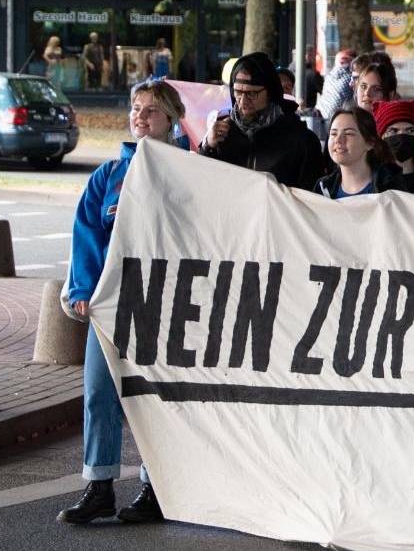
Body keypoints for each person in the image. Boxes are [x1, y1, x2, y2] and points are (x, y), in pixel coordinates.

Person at [57, 80, 188, 526]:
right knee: (99, 393)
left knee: (157, 398)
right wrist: (81, 292)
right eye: (136, 108)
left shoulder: (191, 173)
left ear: (171, 118)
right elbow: (87, 239)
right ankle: (99, 486)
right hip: (112, 306)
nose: (140, 116)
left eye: (151, 110)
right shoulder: (109, 175)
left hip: (167, 305)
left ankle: (156, 487)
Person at [197, 52, 328, 189]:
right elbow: (202, 183)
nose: (242, 100)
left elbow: (311, 199)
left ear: (270, 92)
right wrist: (208, 147)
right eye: (238, 92)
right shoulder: (221, 133)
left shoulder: (301, 140)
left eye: (251, 93)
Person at [317, 108, 402, 199]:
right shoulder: (323, 187)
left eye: (349, 133)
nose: (338, 140)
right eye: (333, 134)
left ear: (370, 143)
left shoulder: (391, 188)